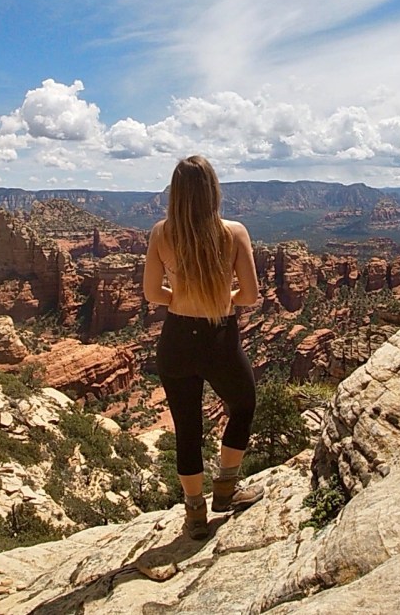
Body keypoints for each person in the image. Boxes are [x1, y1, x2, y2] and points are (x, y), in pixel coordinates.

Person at [143, 155, 263, 540]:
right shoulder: (234, 232)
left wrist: (180, 294)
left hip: (176, 338)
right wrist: (220, 294)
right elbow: (250, 296)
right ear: (213, 190)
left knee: (187, 429)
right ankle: (225, 490)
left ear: (176, 194)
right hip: (219, 336)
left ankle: (195, 514)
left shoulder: (161, 233)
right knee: (243, 405)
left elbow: (150, 293)